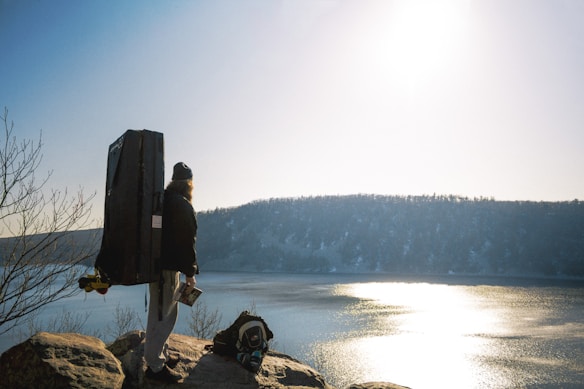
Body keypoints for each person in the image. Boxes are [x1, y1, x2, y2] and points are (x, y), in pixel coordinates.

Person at [144, 162, 199, 383]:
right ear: (188, 183)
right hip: (167, 269)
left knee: (165, 312)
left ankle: (162, 354)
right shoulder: (182, 205)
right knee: (162, 315)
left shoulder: (162, 201)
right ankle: (155, 366)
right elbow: (186, 243)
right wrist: (190, 273)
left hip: (157, 267)